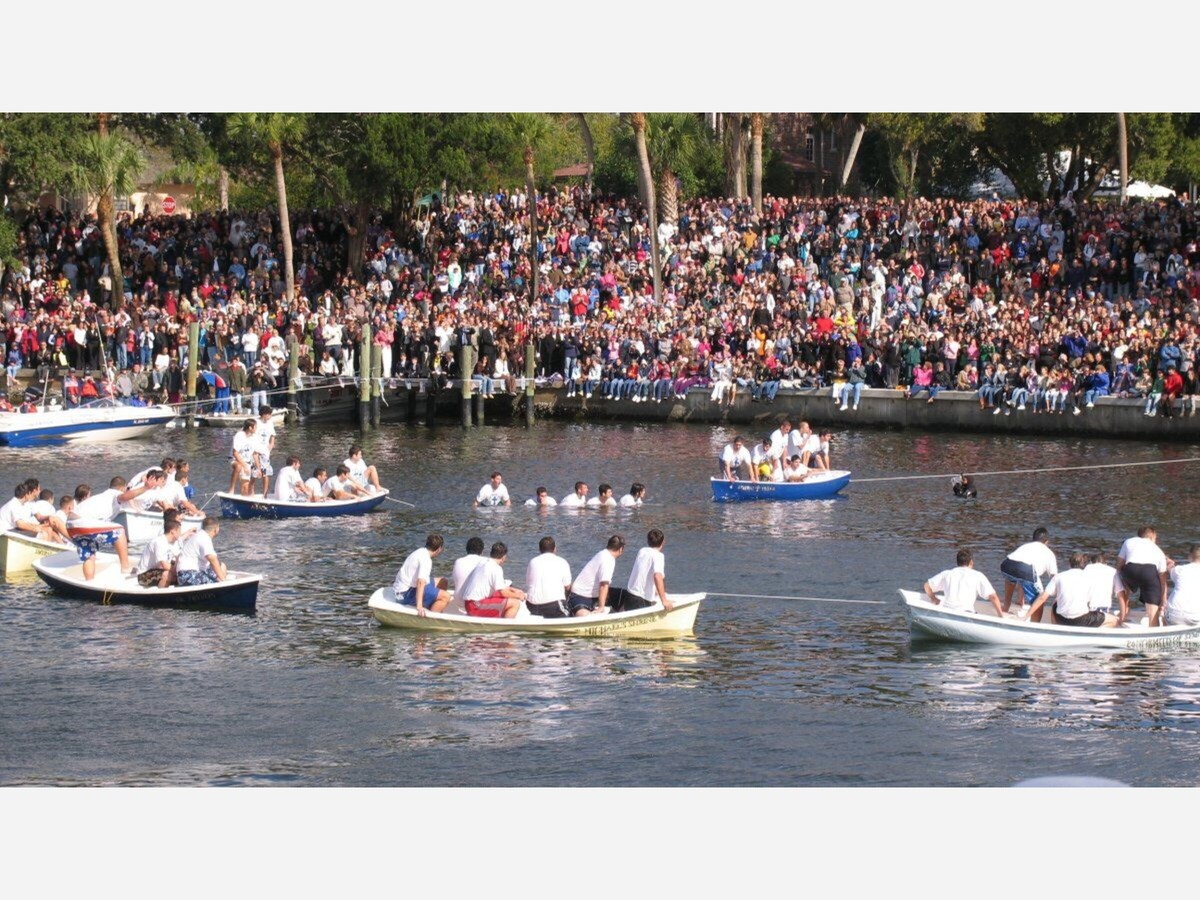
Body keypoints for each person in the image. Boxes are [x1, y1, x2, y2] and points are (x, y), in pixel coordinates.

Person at [70, 479, 142, 579]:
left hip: (71, 525)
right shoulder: (114, 494)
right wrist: (146, 487)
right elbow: (125, 497)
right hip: (82, 522)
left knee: (90, 555)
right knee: (119, 530)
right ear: (122, 488)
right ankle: (125, 568)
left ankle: (89, 581)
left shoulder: (100, 497)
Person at [1028, 552, 1119, 628]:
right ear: (1084, 565)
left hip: (1061, 619)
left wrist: (1026, 616)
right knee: (1114, 621)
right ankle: (1093, 635)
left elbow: (1042, 598)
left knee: (1055, 604)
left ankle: (1056, 628)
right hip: (1081, 620)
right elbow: (1093, 602)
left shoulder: (1059, 576)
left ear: (1069, 564)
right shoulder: (1089, 578)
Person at [923, 549, 1004, 617]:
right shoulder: (977, 575)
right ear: (971, 562)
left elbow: (927, 586)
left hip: (947, 612)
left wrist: (933, 598)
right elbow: (993, 597)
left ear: (958, 562)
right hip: (966, 613)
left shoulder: (947, 574)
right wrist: (1001, 615)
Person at [1117, 526, 1170, 626]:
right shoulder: (1159, 551)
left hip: (1131, 569)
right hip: (1149, 573)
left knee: (1122, 574)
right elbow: (1163, 581)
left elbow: (1119, 565)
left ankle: (1124, 610)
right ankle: (1153, 624)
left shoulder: (1129, 541)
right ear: (1152, 536)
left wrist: (1120, 583)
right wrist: (1162, 602)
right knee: (1152, 611)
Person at [1000, 527, 1058, 615]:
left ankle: (1006, 607)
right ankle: (1035, 624)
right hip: (1026, 570)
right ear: (1047, 542)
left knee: (1013, 578)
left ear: (1033, 539)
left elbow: (1019, 569)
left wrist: (1020, 599)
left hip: (1007, 565)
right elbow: (1055, 578)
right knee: (1039, 599)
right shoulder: (1049, 554)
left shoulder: (1025, 546)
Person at [458, 541, 525, 618]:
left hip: (468, 604)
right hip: (475, 606)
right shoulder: (496, 568)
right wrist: (518, 596)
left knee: (503, 598)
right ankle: (505, 627)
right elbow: (503, 593)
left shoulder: (482, 562)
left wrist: (515, 590)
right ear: (504, 557)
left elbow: (501, 588)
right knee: (514, 603)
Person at [393, 534, 452, 616]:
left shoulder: (420, 551)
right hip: (405, 595)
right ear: (439, 549)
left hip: (404, 589)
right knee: (446, 596)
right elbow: (420, 583)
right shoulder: (426, 560)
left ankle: (434, 606)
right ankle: (433, 617)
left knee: (443, 581)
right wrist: (419, 606)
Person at [615, 528, 673, 612]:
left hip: (629, 597)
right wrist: (664, 601)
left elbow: (644, 572)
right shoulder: (659, 556)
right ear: (663, 542)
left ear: (648, 541)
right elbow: (657, 576)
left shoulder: (642, 551)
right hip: (641, 601)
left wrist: (656, 591)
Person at [568, 534, 625, 616]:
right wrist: (601, 607)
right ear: (620, 549)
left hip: (588, 595)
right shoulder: (609, 560)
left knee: (622, 595)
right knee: (585, 616)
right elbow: (603, 585)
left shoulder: (602, 553)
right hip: (580, 597)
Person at [1, 480, 69, 543]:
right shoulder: (14, 504)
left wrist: (41, 525)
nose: (40, 491)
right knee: (46, 531)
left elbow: (25, 522)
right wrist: (38, 528)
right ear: (27, 494)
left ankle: (68, 542)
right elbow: (20, 524)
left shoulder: (22, 504)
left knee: (49, 527)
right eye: (39, 489)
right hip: (6, 532)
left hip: (13, 530)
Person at [524, 535, 572, 618]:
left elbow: (528, 584)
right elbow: (567, 586)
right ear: (555, 549)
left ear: (539, 549)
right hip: (553, 606)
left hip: (532, 605)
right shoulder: (562, 562)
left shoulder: (532, 562)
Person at [175, 517, 227, 585]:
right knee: (217, 582)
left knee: (221, 566)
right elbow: (212, 559)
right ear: (216, 529)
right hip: (187, 574)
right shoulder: (204, 538)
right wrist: (224, 581)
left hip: (187, 572)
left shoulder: (199, 535)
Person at [137, 516, 182, 588]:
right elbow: (164, 565)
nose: (180, 534)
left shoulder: (174, 543)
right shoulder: (159, 542)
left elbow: (179, 558)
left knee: (181, 570)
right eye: (179, 531)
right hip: (144, 575)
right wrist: (178, 573)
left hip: (158, 569)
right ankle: (161, 596)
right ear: (173, 531)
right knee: (168, 574)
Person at [1085, 551, 1129, 624]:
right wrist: (1122, 617)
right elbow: (1121, 595)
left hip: (1087, 609)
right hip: (1103, 610)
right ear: (1105, 563)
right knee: (1114, 622)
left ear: (1091, 562)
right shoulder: (1113, 571)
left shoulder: (1087, 568)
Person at [1165, 544, 1200, 626]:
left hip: (1174, 614)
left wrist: (1168, 562)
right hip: (1194, 617)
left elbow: (1170, 568)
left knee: (1164, 612)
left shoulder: (1179, 569)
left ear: (1190, 556)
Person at [229, 418, 259, 495]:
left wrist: (258, 467)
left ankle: (244, 500)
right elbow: (235, 453)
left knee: (245, 487)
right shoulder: (239, 435)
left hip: (248, 462)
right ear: (250, 428)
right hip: (235, 459)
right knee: (239, 466)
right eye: (255, 427)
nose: (256, 428)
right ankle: (231, 490)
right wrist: (244, 465)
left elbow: (255, 454)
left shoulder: (254, 437)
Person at [254, 405, 276, 496]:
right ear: (264, 414)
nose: (270, 416)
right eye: (269, 414)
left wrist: (271, 444)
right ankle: (251, 492)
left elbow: (273, 435)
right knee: (254, 473)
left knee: (266, 473)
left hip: (265, 451)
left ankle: (265, 494)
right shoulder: (256, 422)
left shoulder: (270, 423)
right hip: (255, 451)